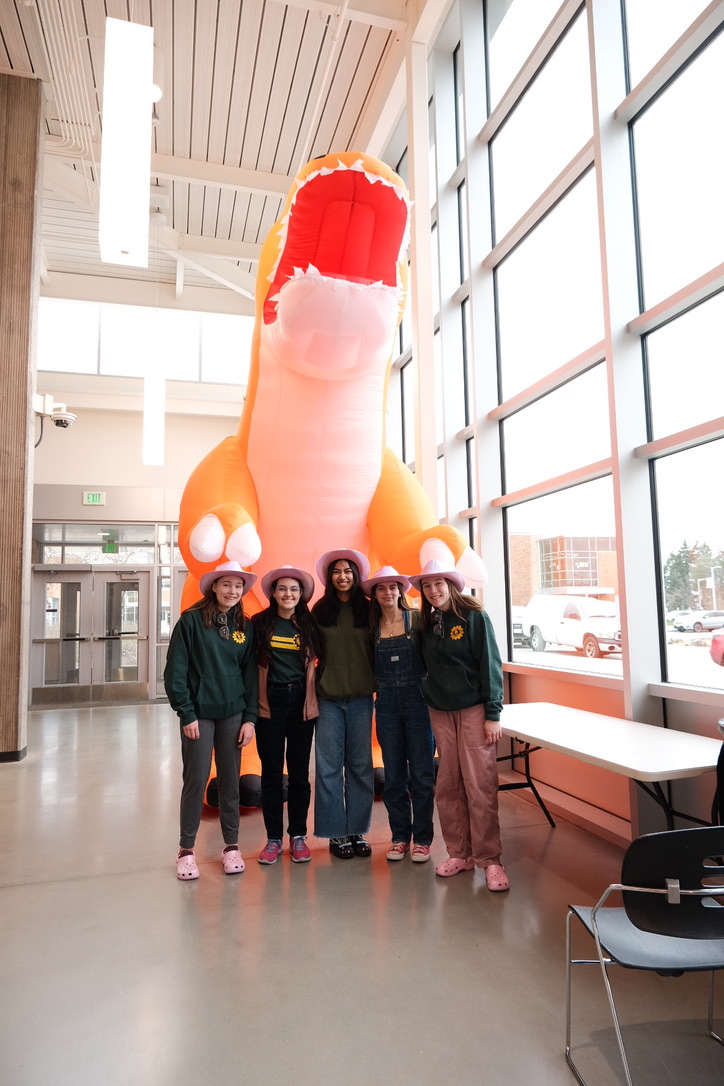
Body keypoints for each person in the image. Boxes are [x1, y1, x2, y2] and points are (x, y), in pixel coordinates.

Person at [409, 558, 509, 891]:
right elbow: (420, 664)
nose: (433, 590)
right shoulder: (425, 623)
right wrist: (427, 690)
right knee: (448, 786)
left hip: (474, 710)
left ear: (451, 585)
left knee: (479, 785)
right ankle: (460, 853)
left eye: (439, 583)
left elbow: (490, 663)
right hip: (440, 711)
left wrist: (493, 712)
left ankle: (490, 860)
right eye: (427, 585)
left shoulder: (474, 617)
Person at [164, 560, 258, 880]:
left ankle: (231, 846)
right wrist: (186, 713)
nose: (232, 591)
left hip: (233, 714)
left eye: (238, 586)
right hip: (199, 717)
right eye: (226, 584)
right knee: (196, 780)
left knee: (231, 781)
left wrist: (250, 718)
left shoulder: (244, 626)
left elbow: (250, 677)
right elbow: (175, 672)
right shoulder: (190, 622)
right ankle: (186, 850)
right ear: (214, 586)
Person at [362, 566, 435, 863]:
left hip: (419, 704)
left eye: (393, 587)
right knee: (393, 775)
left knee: (421, 773)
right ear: (374, 594)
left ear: (401, 591)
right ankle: (400, 837)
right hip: (387, 705)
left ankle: (424, 839)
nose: (388, 592)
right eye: (381, 588)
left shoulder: (417, 620)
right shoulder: (371, 627)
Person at [252, 565, 321, 865]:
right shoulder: (259, 623)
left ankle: (298, 836)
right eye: (282, 588)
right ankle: (273, 839)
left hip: (301, 703)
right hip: (270, 703)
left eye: (294, 589)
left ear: (301, 594)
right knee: (270, 774)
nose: (288, 594)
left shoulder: (308, 625)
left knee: (299, 775)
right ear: (273, 593)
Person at [312, 548, 375, 859]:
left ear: (356, 574)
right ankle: (336, 833)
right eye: (337, 571)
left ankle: (358, 830)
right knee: (328, 768)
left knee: (361, 768)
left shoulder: (369, 609)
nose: (342, 576)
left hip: (362, 697)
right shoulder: (320, 610)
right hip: (329, 700)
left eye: (348, 570)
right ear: (329, 577)